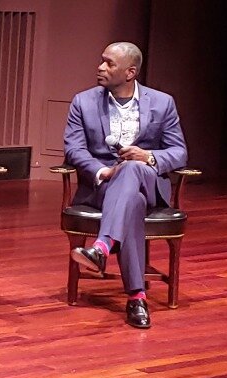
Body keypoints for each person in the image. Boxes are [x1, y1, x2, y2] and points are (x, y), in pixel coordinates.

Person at [65, 41, 188, 328]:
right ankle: (136, 297)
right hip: (103, 186)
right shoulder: (83, 102)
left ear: (130, 72)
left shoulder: (162, 102)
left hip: (148, 181)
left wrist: (148, 156)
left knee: (133, 169)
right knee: (131, 202)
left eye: (109, 63)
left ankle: (103, 247)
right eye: (101, 61)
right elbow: (74, 149)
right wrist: (103, 170)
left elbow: (179, 151)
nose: (100, 67)